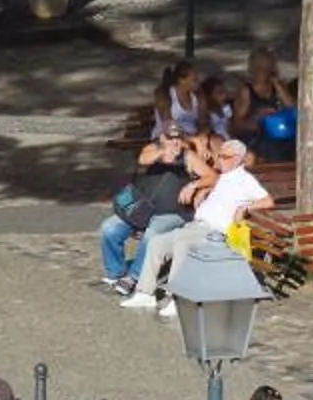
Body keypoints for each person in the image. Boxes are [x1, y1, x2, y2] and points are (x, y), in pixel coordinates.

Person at [125, 138, 271, 316]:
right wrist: (202, 191)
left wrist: (246, 208)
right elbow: (211, 180)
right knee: (157, 242)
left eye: (224, 157)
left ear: (237, 159)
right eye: (219, 155)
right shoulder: (224, 177)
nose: (219, 160)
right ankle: (145, 292)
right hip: (196, 225)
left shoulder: (245, 180)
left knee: (182, 246)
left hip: (214, 232)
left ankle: (177, 297)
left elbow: (268, 201)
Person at [100, 129, 196, 293]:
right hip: (141, 210)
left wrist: (194, 185)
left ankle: (135, 277)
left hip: (173, 213)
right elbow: (143, 159)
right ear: (161, 138)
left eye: (178, 139)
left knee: (151, 234)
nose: (174, 142)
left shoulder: (189, 156)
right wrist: (163, 153)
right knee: (109, 228)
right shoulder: (152, 150)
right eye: (169, 138)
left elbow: (211, 176)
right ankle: (116, 273)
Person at [230, 47, 294, 144]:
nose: (263, 73)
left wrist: (279, 87)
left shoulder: (277, 87)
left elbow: (292, 107)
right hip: (256, 141)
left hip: (280, 136)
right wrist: (258, 118)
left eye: (267, 68)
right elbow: (236, 124)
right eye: (262, 68)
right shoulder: (247, 91)